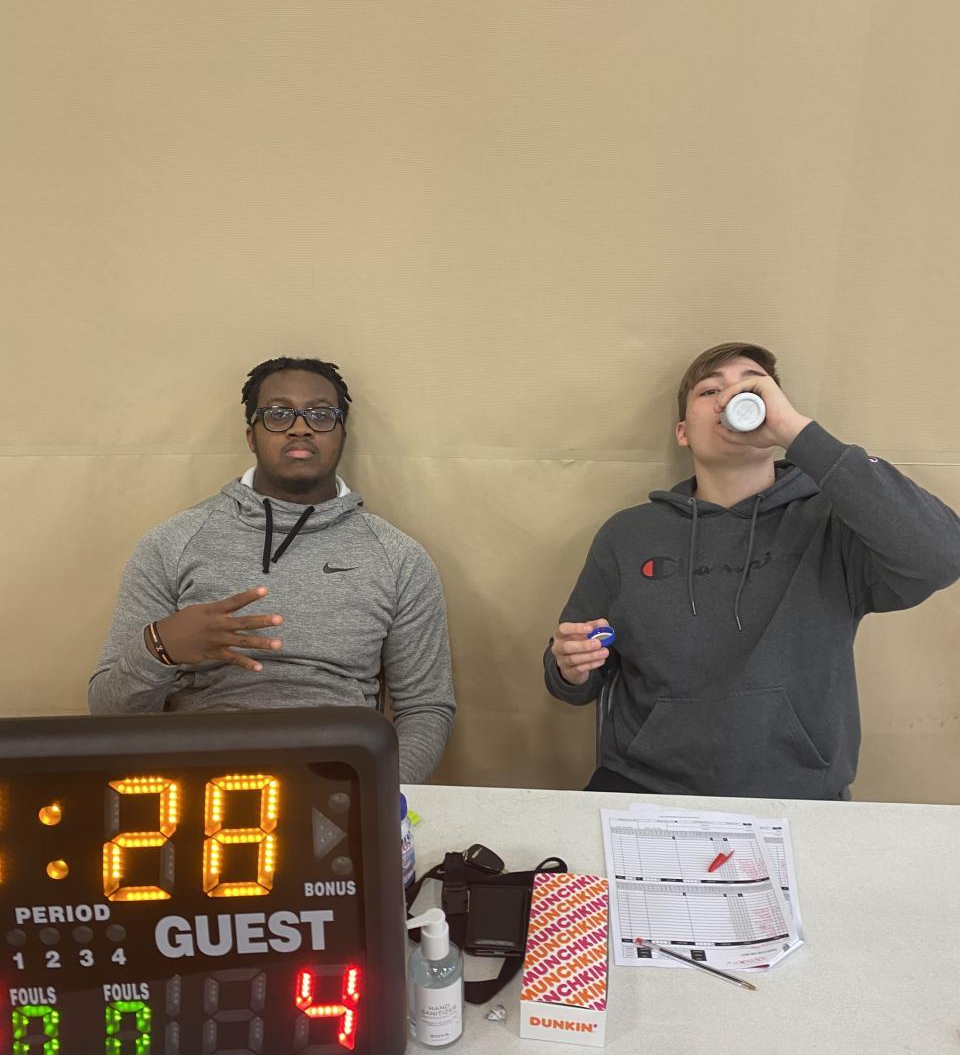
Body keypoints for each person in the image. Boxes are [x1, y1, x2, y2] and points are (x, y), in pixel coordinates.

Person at [544, 342, 960, 798]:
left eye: (750, 387)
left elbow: (942, 555)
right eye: (710, 391)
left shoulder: (832, 522)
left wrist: (799, 434)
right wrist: (570, 667)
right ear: (683, 432)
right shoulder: (627, 535)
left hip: (799, 795)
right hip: (644, 790)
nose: (728, 398)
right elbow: (572, 675)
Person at [90, 356, 455, 783]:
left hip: (339, 783)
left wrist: (383, 794)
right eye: (279, 414)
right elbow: (107, 713)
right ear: (251, 435)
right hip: (196, 785)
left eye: (320, 415)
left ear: (341, 435)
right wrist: (160, 646)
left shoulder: (400, 558)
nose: (300, 428)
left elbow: (426, 707)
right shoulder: (171, 543)